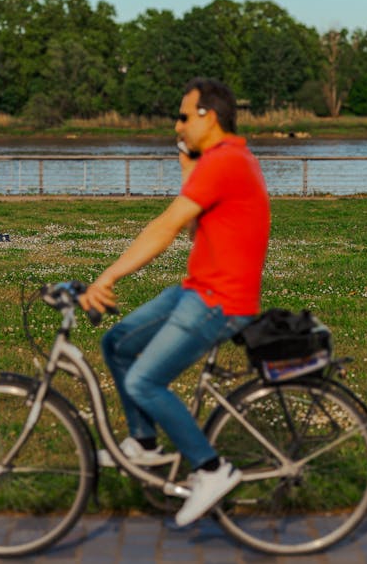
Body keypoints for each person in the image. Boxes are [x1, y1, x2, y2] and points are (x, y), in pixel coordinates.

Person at [79, 77, 269, 527]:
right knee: (118, 343)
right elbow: (193, 228)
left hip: (220, 299)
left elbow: (166, 228)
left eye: (184, 117)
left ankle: (211, 468)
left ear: (209, 115)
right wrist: (188, 166)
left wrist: (108, 274)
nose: (177, 126)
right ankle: (144, 443)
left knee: (144, 381)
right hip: (197, 288)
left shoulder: (227, 162)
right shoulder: (220, 161)